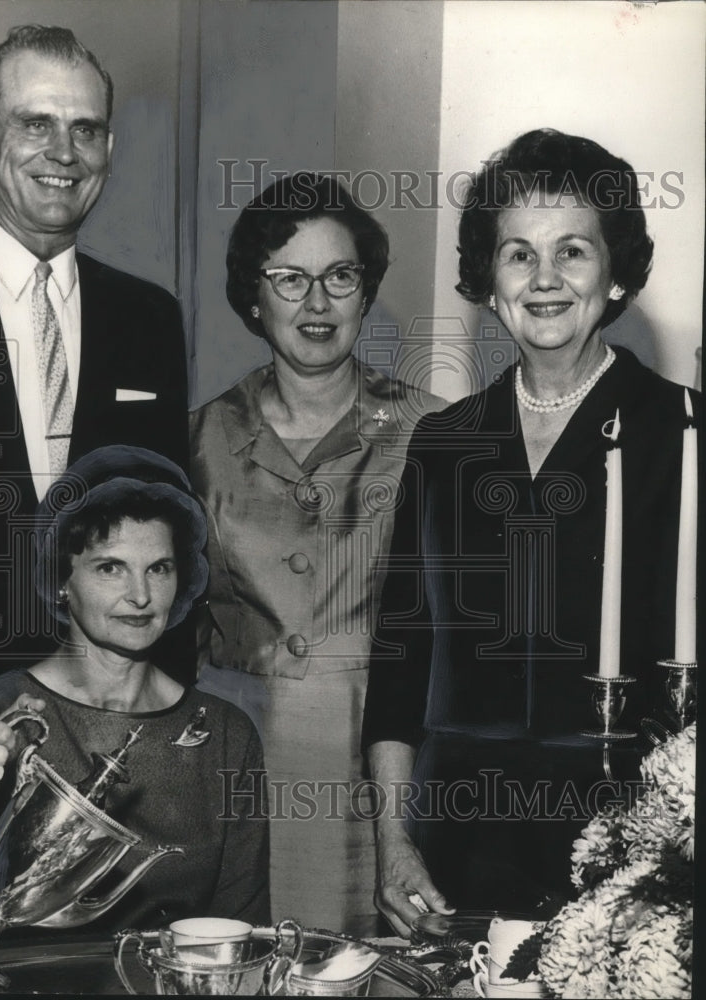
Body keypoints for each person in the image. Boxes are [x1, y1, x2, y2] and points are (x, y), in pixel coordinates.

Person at [362, 128, 699, 936]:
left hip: (631, 850)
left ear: (614, 272)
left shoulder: (679, 432)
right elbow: (399, 666)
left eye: (572, 251)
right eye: (518, 254)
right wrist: (391, 839)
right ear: (488, 277)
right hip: (455, 843)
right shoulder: (444, 443)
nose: (544, 280)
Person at [189, 173, 444, 935]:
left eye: (339, 276)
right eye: (289, 279)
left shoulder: (432, 431)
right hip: (232, 761)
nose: (317, 303)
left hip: (380, 765)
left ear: (365, 293)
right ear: (252, 298)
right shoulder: (193, 441)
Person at [0, 26, 189, 702]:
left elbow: (166, 517)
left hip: (107, 705)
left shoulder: (148, 316)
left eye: (85, 129)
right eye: (35, 123)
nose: (63, 153)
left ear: (107, 147)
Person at [0, 446, 269, 937]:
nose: (140, 595)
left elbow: (242, 927)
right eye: (110, 567)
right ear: (60, 582)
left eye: (158, 568)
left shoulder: (225, 733)